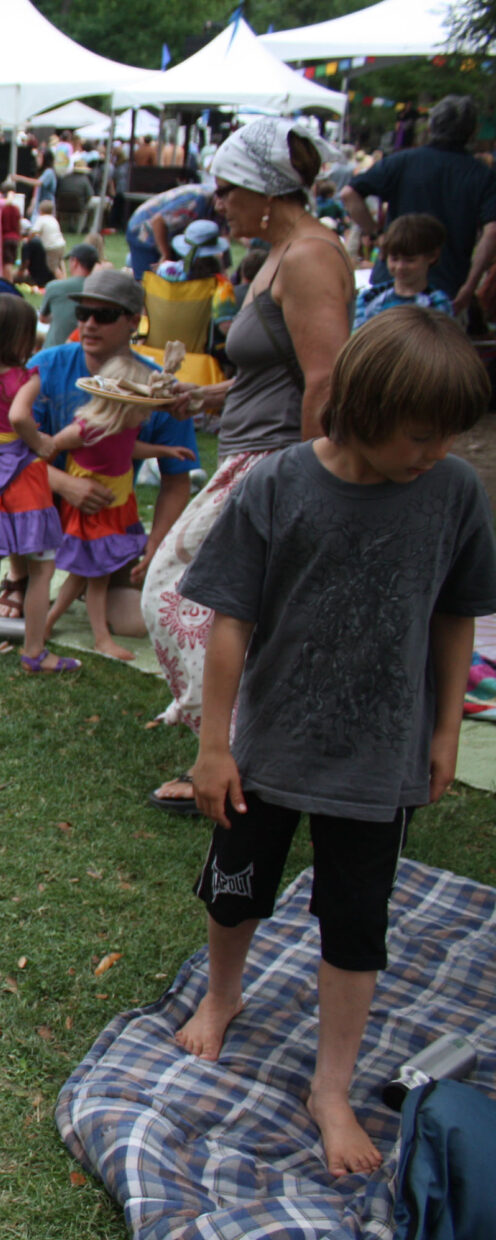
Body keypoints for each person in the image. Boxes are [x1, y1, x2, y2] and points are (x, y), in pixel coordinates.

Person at [174, 308, 496, 1175]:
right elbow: (231, 620)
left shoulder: (454, 493)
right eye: (421, 436)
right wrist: (215, 745)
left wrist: (444, 732)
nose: (435, 453)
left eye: (447, 438)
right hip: (271, 747)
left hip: (379, 757)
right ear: (362, 406)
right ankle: (223, 994)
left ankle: (331, 1085)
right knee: (235, 890)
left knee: (356, 924)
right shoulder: (278, 482)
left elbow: (456, 615)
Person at [139, 120, 355, 815]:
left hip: (276, 465)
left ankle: (228, 756)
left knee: (174, 588)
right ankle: (241, 754)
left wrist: (312, 486)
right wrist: (209, 394)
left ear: (266, 191)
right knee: (234, 609)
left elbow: (325, 380)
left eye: (227, 190)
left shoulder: (311, 257)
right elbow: (278, 368)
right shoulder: (280, 252)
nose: (217, 203)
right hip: (252, 454)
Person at [7, 268, 201, 634]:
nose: (90, 324)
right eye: (83, 314)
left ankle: (88, 584)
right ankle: (20, 579)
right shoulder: (46, 367)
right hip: (48, 502)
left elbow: (176, 483)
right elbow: (8, 454)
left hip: (108, 516)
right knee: (9, 485)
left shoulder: (157, 387)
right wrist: (66, 484)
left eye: (105, 315)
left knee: (135, 623)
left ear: (133, 321)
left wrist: (155, 549)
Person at [42, 357, 197, 662]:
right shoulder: (85, 431)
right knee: (98, 577)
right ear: (123, 408)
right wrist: (56, 479)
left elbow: (129, 449)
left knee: (82, 576)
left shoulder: (125, 429)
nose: (147, 417)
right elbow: (50, 448)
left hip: (115, 509)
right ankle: (102, 639)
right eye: (143, 410)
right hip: (92, 513)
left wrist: (163, 451)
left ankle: (47, 622)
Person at [0, 291, 70, 673]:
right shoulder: (26, 379)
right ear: (16, 337)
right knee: (42, 569)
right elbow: (21, 417)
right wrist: (42, 444)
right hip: (25, 484)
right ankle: (34, 651)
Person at [341, 96, 496, 314]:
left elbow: (349, 194)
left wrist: (376, 234)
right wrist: (470, 285)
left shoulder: (401, 161)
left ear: (432, 126)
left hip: (391, 282)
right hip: (448, 287)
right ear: (472, 131)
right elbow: (492, 231)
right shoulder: (481, 175)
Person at [353, 213, 453, 328]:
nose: (400, 267)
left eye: (410, 260)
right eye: (394, 259)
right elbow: (359, 338)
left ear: (432, 256)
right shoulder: (369, 298)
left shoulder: (438, 303)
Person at [125, 182, 217, 279]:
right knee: (149, 282)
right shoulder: (198, 199)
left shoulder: (217, 202)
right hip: (143, 230)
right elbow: (158, 221)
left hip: (170, 233)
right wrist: (165, 255)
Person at [39, 242, 100, 347]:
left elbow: (43, 318)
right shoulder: (101, 290)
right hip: (88, 350)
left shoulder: (54, 287)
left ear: (75, 262)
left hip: (54, 350)